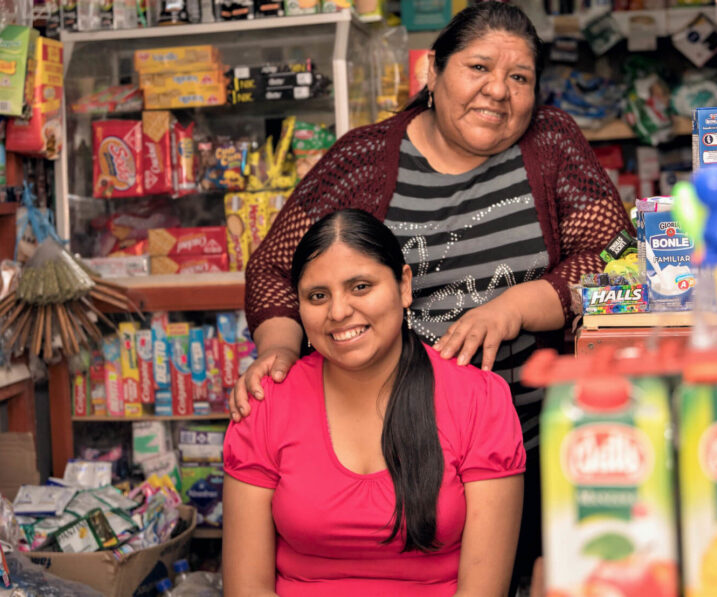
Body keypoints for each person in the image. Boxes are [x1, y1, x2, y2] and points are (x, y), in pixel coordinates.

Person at [230, 1, 633, 588]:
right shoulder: (366, 157)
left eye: (519, 77)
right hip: (402, 444)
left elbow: (617, 259)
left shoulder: (550, 143)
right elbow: (275, 268)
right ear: (432, 72)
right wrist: (281, 352)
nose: (498, 90)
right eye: (478, 68)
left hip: (537, 435)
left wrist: (516, 307)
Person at [222, 209, 525, 595]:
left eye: (360, 286)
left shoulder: (479, 399)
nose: (338, 312)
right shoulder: (265, 402)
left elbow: (482, 591)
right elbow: (246, 588)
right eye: (318, 296)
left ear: (403, 286)